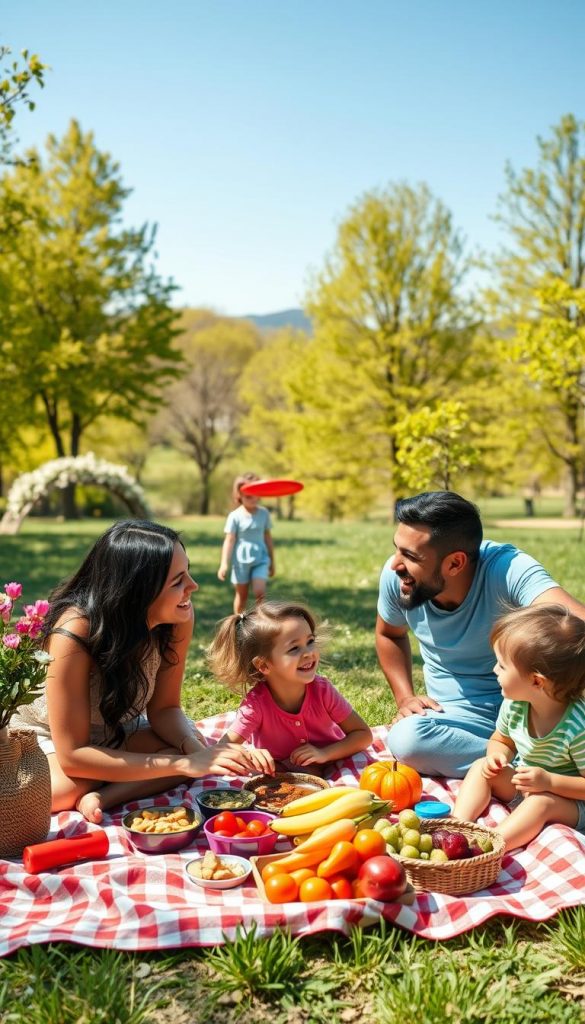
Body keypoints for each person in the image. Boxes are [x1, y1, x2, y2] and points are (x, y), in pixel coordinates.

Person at [11, 520, 263, 823]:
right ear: (137, 593)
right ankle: (102, 776)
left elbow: (166, 709)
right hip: (52, 734)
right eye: (178, 581)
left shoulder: (178, 617)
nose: (193, 587)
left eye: (188, 573)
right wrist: (184, 766)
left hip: (115, 728)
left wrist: (198, 755)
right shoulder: (74, 633)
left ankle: (102, 794)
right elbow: (74, 753)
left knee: (186, 744)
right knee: (63, 790)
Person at [376, 491, 585, 778]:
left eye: (410, 556)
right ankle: (536, 768)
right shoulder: (399, 579)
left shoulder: (508, 568)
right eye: (397, 549)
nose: (394, 564)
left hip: (529, 709)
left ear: (455, 563)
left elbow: (577, 625)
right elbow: (389, 634)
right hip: (456, 717)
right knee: (406, 740)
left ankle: (532, 767)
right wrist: (404, 697)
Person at [452, 605, 585, 851]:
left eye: (502, 666)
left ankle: (486, 848)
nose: (494, 670)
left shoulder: (578, 727)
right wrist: (497, 757)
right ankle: (457, 826)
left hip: (570, 804)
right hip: (527, 787)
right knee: (481, 766)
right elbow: (501, 740)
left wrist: (550, 782)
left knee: (542, 803)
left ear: (536, 681)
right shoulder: (515, 705)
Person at [208, 600, 373, 772]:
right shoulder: (255, 706)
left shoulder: (323, 691)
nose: (309, 653)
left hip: (332, 763)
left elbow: (363, 735)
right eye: (294, 648)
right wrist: (250, 754)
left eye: (310, 641)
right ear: (264, 665)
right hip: (279, 777)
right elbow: (221, 751)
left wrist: (324, 753)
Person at [217, 472, 275, 614]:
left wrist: (272, 561)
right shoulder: (235, 516)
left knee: (259, 591)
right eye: (248, 495)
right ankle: (238, 624)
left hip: (261, 558)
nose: (252, 498)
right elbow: (229, 540)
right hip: (241, 561)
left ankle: (262, 623)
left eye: (255, 494)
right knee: (241, 596)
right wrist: (224, 563)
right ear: (239, 495)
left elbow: (267, 537)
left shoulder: (264, 514)